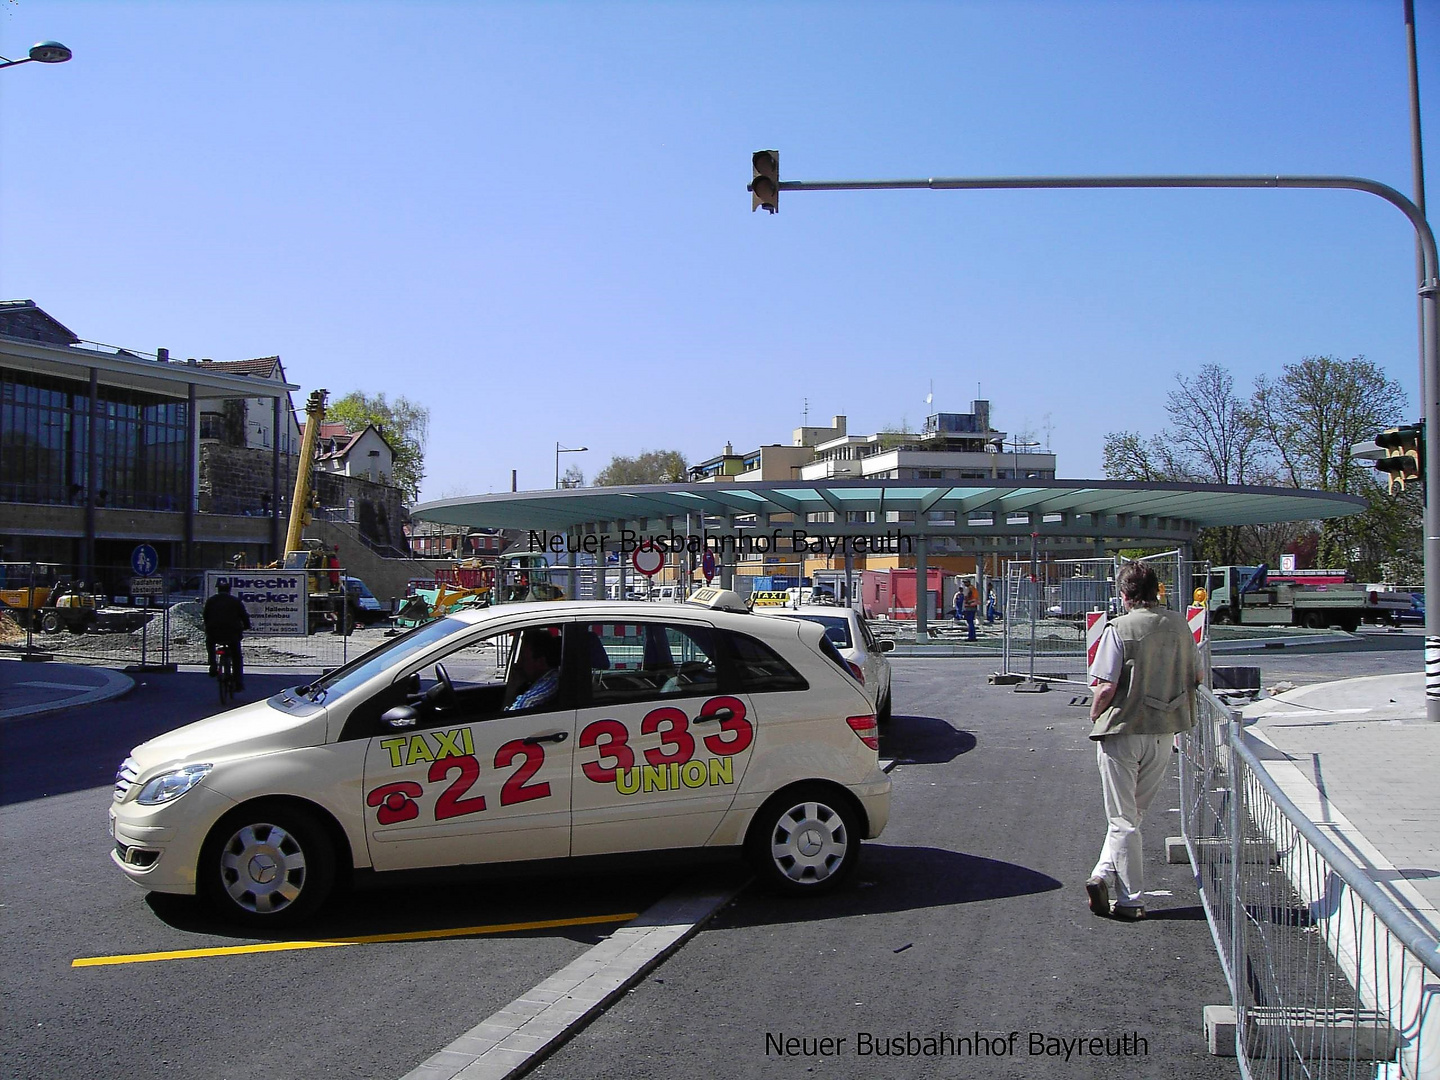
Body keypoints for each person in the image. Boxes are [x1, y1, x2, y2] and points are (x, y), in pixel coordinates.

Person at [1084, 562, 1202, 920]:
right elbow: (1196, 675)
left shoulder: (1118, 629)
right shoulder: (1182, 625)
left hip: (1123, 729)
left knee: (1122, 818)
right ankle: (1102, 873)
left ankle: (1131, 899)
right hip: (1165, 729)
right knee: (1134, 813)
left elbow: (1105, 685)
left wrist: (1093, 714)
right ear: (1157, 590)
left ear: (1125, 595)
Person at [204, 579, 252, 692]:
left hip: (214, 632)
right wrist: (246, 626)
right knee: (236, 656)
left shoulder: (211, 601)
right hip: (232, 633)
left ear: (218, 590)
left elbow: (205, 616)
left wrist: (208, 627)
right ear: (229, 590)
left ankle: (213, 665)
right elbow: (244, 616)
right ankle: (238, 682)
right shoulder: (235, 601)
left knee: (210, 644)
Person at [505, 629, 562, 712]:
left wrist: (512, 689)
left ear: (541, 662)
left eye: (524, 659)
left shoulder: (550, 684)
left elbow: (509, 718)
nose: (518, 664)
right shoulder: (547, 679)